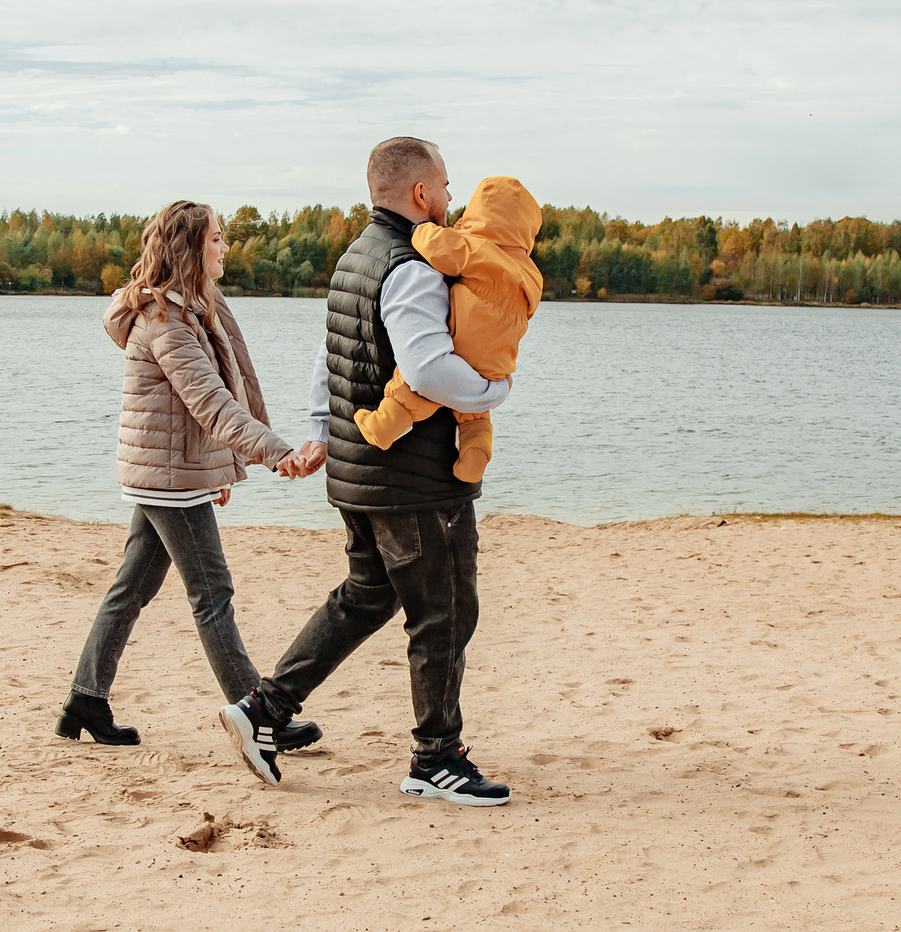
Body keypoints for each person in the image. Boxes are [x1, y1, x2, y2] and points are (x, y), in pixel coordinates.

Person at [216, 138, 514, 805]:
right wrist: (495, 390)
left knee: (369, 595)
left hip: (359, 468)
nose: (449, 198)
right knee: (444, 611)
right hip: (411, 479)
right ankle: (436, 757)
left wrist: (324, 430)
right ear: (419, 194)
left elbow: (332, 361)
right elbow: (431, 368)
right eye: (443, 186)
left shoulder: (357, 256)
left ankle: (264, 709)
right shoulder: (411, 265)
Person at [58, 201, 322, 757]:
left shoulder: (198, 308)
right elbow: (212, 404)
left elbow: (211, 402)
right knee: (212, 591)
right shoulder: (165, 322)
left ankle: (86, 698)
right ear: (190, 247)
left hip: (171, 471)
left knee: (132, 588)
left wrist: (222, 469)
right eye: (218, 239)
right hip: (168, 480)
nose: (226, 248)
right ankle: (257, 711)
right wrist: (277, 454)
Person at [351, 174, 543, 484]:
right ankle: (476, 448)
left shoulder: (477, 248)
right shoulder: (531, 273)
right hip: (500, 359)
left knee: (411, 388)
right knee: (475, 412)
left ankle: (384, 426)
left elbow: (439, 248)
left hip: (463, 343)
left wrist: (422, 229)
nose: (452, 200)